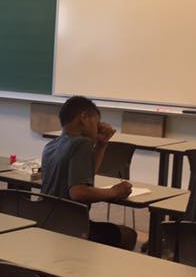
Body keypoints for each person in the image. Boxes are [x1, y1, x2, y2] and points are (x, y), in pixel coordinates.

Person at [40, 95, 137, 250]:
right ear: (84, 118)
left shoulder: (51, 145)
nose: (99, 126)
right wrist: (113, 192)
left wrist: (101, 145)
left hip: (46, 221)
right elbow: (78, 192)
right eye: (97, 122)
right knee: (129, 235)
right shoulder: (82, 143)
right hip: (72, 227)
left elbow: (85, 175)